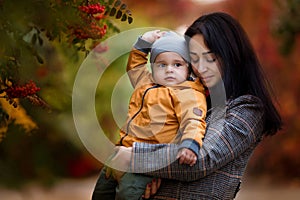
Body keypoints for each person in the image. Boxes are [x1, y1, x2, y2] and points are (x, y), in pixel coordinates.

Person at [101, 12, 283, 199]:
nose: (201, 68)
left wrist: (132, 158)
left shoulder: (247, 109)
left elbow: (202, 159)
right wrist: (147, 179)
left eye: (210, 58)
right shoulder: (191, 96)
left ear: (232, 54)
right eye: (194, 59)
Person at [91, 31, 207, 200]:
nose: (169, 70)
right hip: (121, 152)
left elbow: (193, 120)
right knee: (101, 193)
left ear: (188, 68)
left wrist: (190, 144)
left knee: (127, 195)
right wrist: (145, 42)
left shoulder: (188, 93)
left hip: (145, 163)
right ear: (152, 68)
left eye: (177, 64)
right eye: (161, 64)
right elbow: (134, 66)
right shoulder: (145, 83)